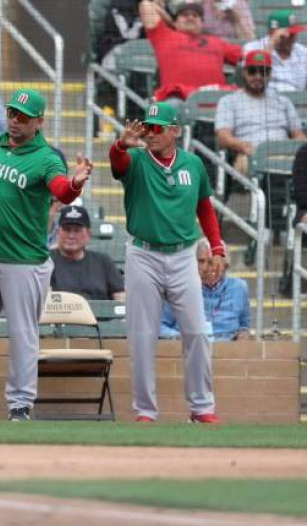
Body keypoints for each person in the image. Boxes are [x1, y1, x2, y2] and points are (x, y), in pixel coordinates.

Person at [0, 89, 92, 422]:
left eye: (23, 116)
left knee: (22, 334)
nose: (14, 121)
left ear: (39, 121)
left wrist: (75, 184)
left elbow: (60, 190)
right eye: (11, 113)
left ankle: (20, 404)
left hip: (25, 261)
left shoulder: (47, 157)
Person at [110, 103, 225, 424]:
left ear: (175, 130)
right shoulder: (135, 158)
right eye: (148, 127)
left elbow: (204, 207)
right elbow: (116, 164)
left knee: (198, 332)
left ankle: (201, 407)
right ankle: (145, 410)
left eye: (158, 128)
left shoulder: (193, 163)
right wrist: (121, 144)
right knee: (142, 335)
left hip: (183, 254)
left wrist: (216, 246)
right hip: (143, 253)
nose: (151, 134)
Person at [215, 50, 305, 176]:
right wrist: (242, 146)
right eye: (252, 71)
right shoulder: (229, 101)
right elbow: (223, 138)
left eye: (263, 71)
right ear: (244, 72)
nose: (258, 76)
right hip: (250, 153)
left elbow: (298, 135)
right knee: (245, 165)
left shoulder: (283, 101)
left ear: (270, 74)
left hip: (283, 152)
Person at [139, 1, 241, 109]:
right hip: (178, 98)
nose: (190, 18)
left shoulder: (217, 42)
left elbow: (250, 56)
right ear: (176, 22)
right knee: (169, 107)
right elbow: (145, 5)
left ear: (202, 23)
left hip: (216, 98)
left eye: (195, 15)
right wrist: (170, 21)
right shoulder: (164, 36)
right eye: (185, 15)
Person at [160, 239, 251, 341]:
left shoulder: (239, 288)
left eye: (211, 262)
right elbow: (160, 326)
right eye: (201, 261)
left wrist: (243, 333)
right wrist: (180, 337)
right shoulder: (179, 288)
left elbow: (244, 326)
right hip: (188, 348)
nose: (204, 268)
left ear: (225, 266)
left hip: (226, 350)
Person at [50, 205, 125, 301]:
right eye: (66, 229)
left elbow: (120, 297)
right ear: (58, 232)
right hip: (60, 315)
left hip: (100, 316)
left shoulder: (104, 262)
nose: (71, 235)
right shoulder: (47, 261)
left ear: (88, 235)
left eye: (77, 230)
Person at [244, 10, 307, 92]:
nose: (293, 38)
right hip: (264, 100)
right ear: (272, 33)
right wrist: (272, 43)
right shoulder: (252, 48)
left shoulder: (303, 52)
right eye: (290, 34)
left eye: (295, 33)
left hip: (298, 101)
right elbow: (255, 73)